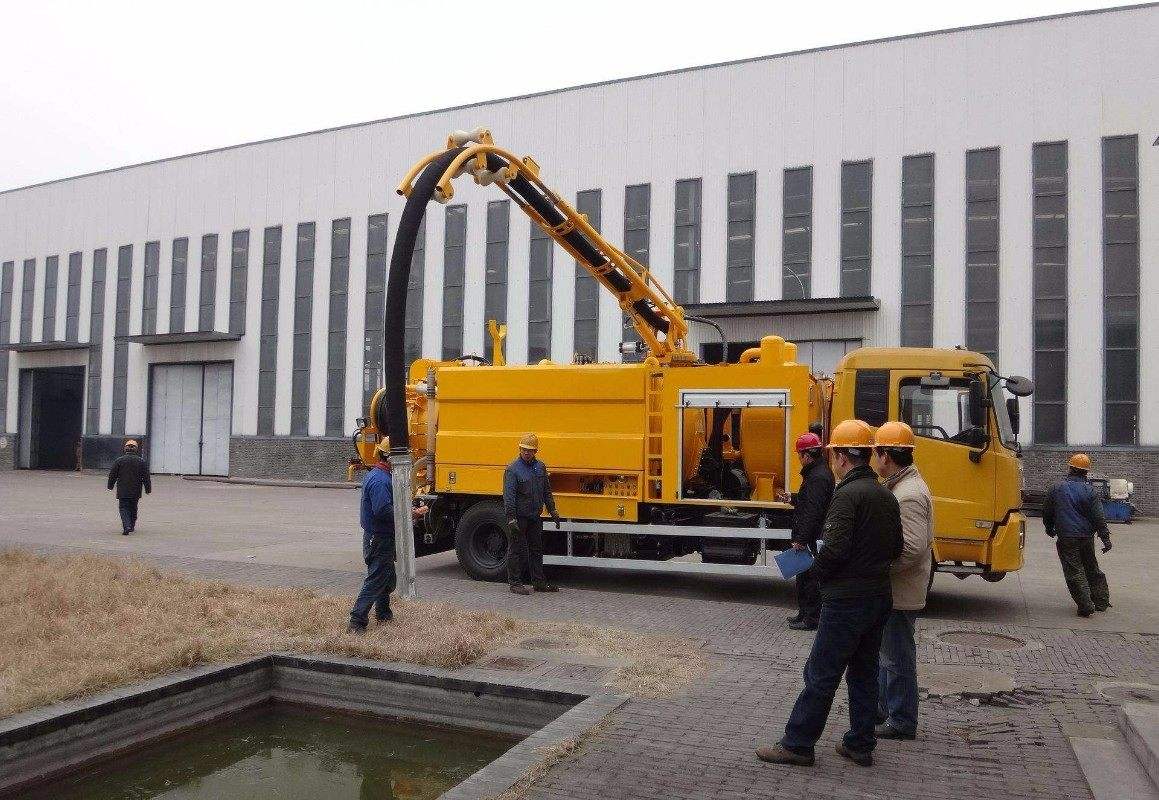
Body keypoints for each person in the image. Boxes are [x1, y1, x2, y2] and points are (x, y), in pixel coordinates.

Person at [757, 419, 902, 768]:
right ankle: (860, 743)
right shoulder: (885, 494)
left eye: (833, 454)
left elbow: (834, 550)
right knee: (864, 673)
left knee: (820, 674)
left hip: (846, 601)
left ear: (841, 457)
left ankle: (798, 744)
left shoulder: (847, 495)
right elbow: (897, 547)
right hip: (878, 596)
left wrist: (816, 576)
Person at [872, 421, 933, 741]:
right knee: (888, 655)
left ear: (886, 456)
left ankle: (902, 719)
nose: (874, 460)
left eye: (876, 453)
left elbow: (911, 549)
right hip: (898, 589)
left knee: (897, 658)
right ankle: (885, 709)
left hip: (901, 590)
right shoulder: (903, 487)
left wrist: (876, 569)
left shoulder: (907, 495)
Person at [348, 443, 428, 633]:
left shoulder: (381, 475)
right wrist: (411, 513)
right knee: (377, 579)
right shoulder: (380, 481)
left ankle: (383, 614)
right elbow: (383, 510)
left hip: (379, 537)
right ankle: (356, 622)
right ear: (391, 458)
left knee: (386, 577)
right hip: (379, 538)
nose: (408, 461)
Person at [1043, 453, 1112, 617]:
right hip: (1086, 537)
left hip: (1066, 537)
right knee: (1091, 568)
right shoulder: (1090, 491)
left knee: (1074, 571)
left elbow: (1047, 511)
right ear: (1086, 472)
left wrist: (1049, 528)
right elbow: (1098, 517)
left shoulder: (1056, 488)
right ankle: (1101, 601)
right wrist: (1105, 538)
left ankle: (1086, 605)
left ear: (1070, 468)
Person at [785, 431, 835, 631]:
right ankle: (804, 613)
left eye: (799, 455)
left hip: (812, 537)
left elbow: (813, 511)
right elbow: (809, 501)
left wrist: (801, 539)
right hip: (810, 536)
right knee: (803, 576)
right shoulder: (817, 473)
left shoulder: (818, 477)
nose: (799, 458)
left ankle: (811, 618)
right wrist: (793, 498)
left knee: (810, 579)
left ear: (806, 455)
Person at [503, 433, 561, 596]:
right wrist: (511, 518)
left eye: (530, 450)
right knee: (516, 549)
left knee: (536, 549)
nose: (526, 452)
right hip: (519, 517)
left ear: (535, 451)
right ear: (520, 449)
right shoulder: (513, 469)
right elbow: (509, 496)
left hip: (535, 516)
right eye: (524, 449)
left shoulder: (540, 467)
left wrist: (553, 510)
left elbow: (546, 491)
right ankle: (515, 583)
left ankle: (538, 582)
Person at [107, 439, 151, 535]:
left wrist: (110, 486)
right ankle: (131, 525)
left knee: (123, 508)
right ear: (136, 449)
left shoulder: (119, 461)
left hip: (123, 490)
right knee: (133, 508)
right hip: (136, 490)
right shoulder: (141, 461)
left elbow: (112, 475)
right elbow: (146, 477)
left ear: (125, 449)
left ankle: (126, 526)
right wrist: (148, 489)